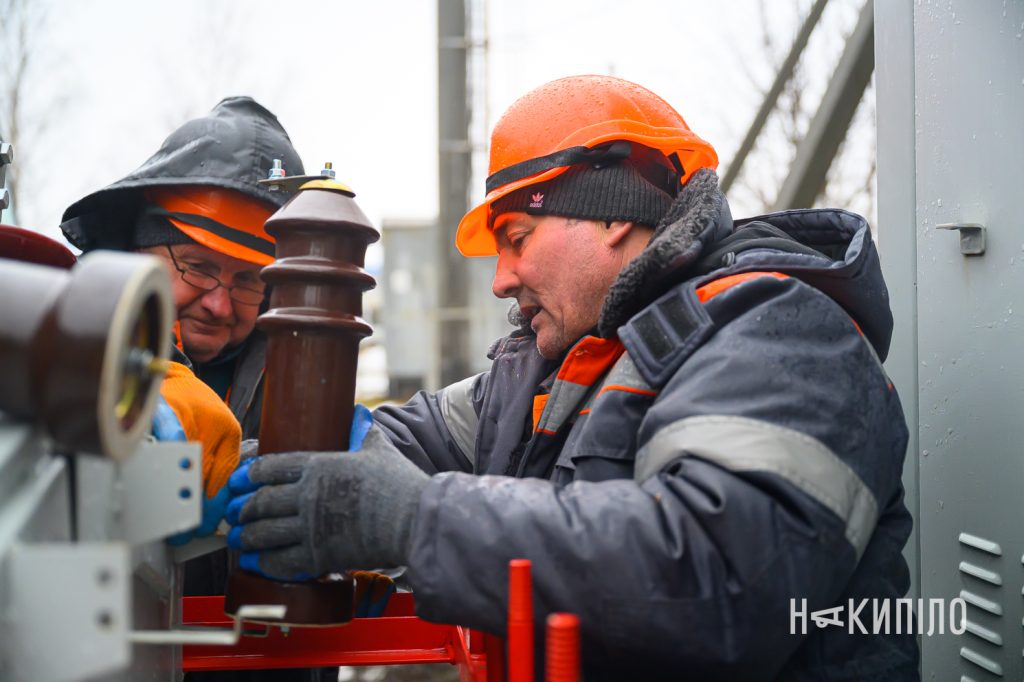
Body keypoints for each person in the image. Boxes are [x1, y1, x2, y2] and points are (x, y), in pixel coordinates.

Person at [226, 75, 919, 680]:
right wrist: (268, 463)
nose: (500, 280)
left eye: (516, 239)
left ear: (613, 212)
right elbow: (409, 442)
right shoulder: (551, 369)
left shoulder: (783, 336)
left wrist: (413, 521)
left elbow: (717, 579)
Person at [61, 98, 340, 682]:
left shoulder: (299, 370)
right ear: (138, 249)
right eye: (197, 266)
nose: (219, 302)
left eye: (248, 279)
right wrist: (132, 374)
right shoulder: (51, 333)